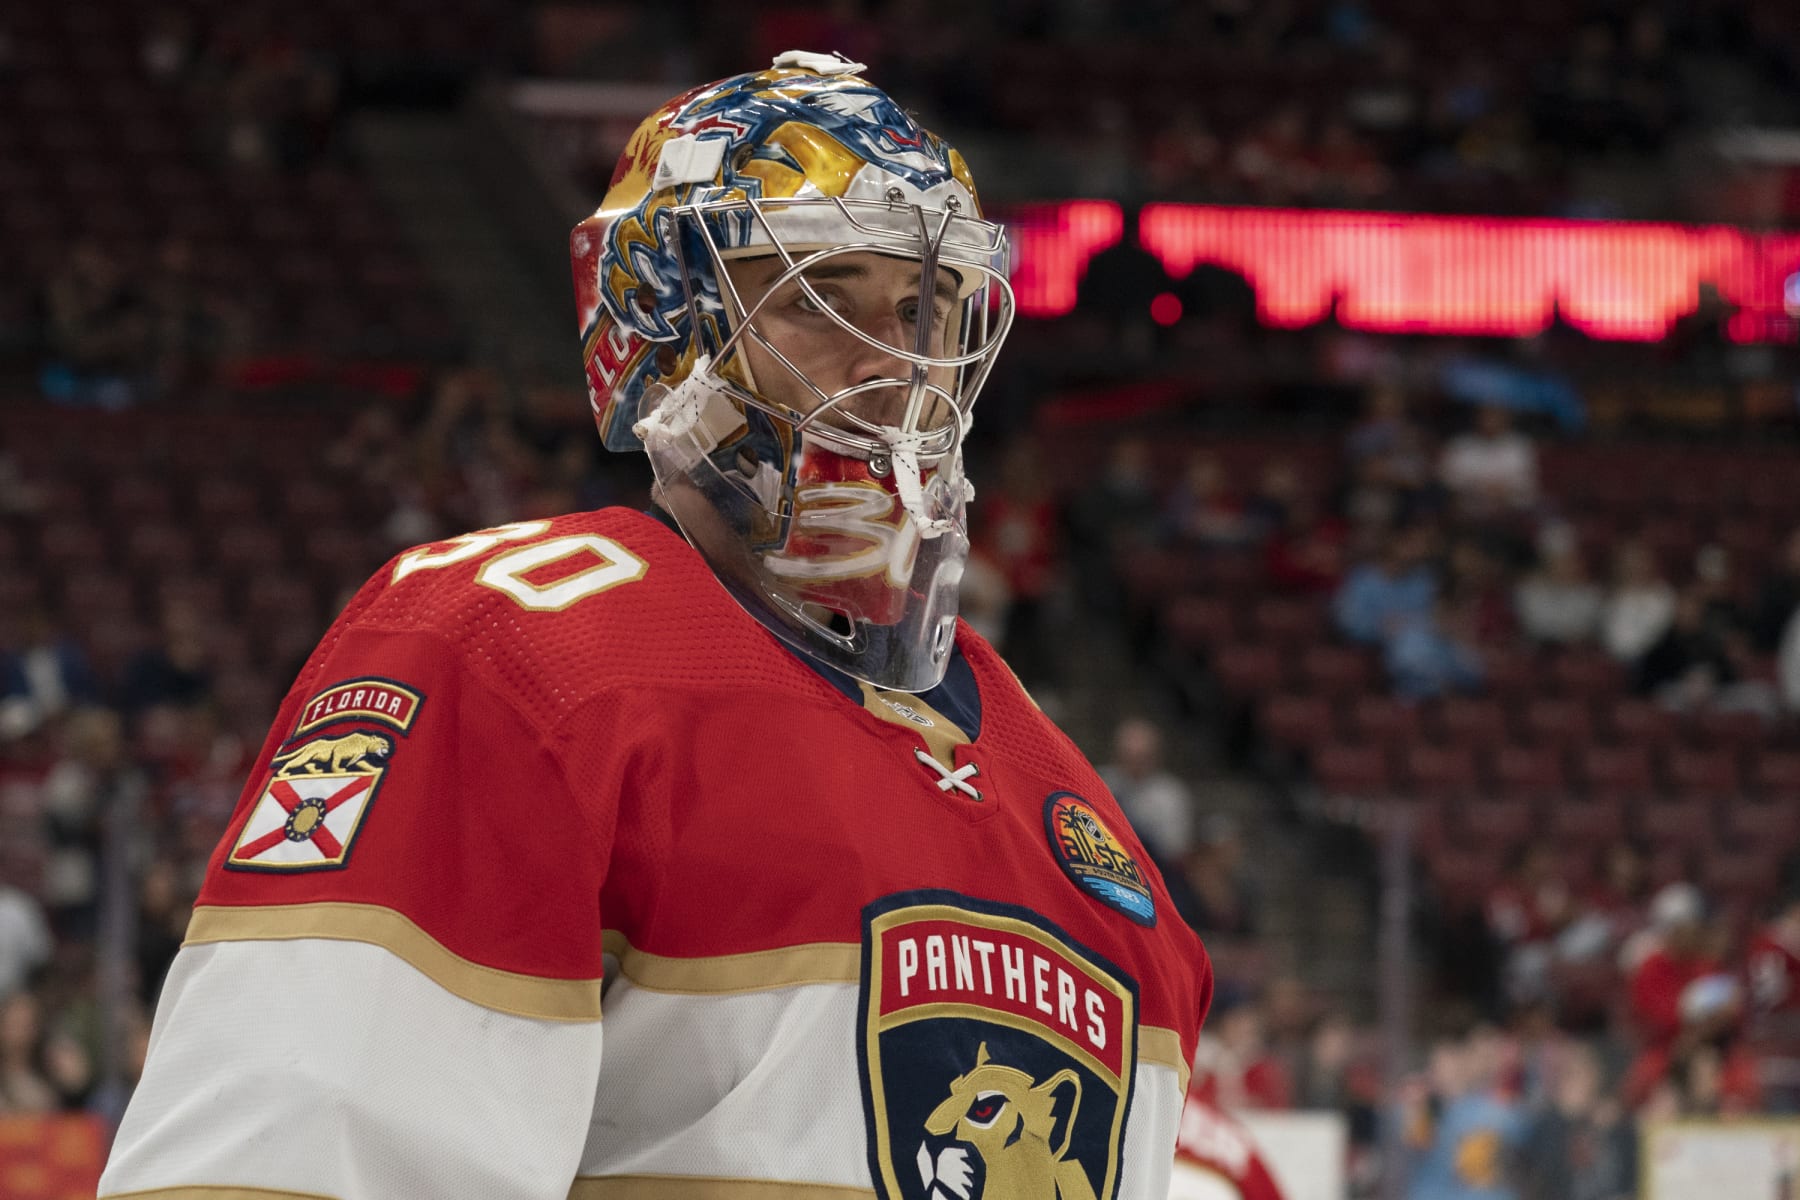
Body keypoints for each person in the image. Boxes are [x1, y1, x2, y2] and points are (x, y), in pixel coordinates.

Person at [100, 52, 1213, 1199]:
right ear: (665, 325)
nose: (895, 363)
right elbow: (295, 1155)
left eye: (926, 307)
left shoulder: (1078, 814)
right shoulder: (510, 645)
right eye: (818, 295)